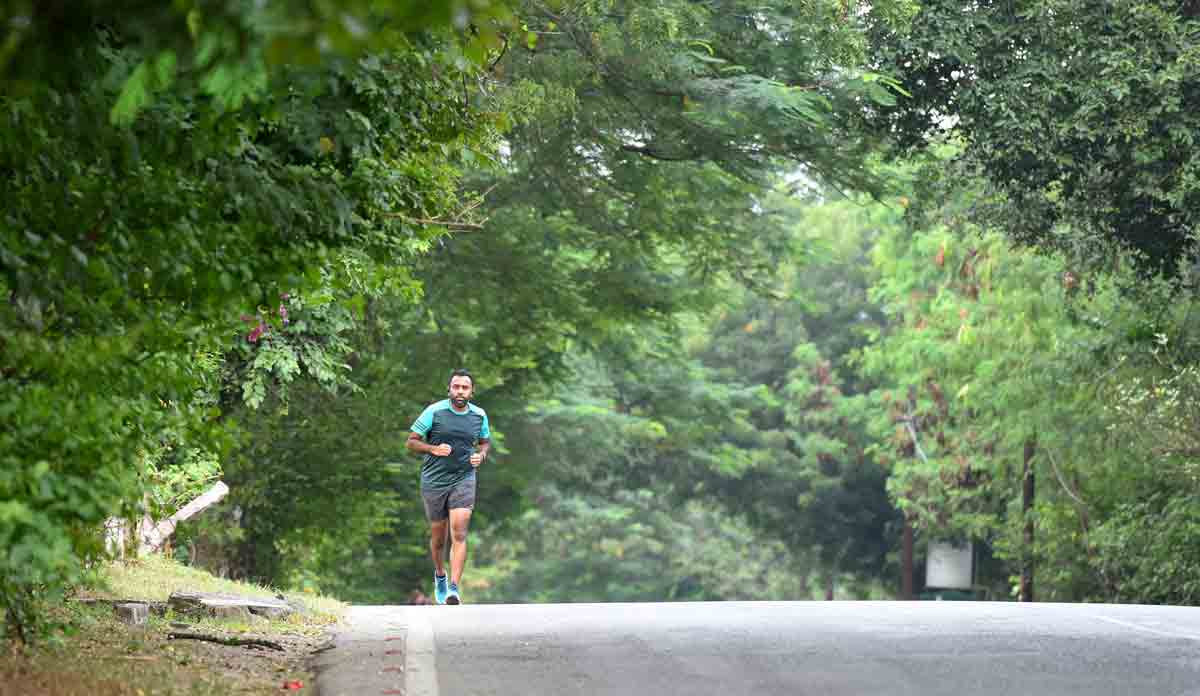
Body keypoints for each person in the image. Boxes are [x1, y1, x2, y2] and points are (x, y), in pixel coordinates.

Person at [406, 369, 491, 605]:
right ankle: (440, 577)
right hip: (434, 481)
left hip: (464, 478)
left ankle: (454, 588)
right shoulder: (434, 411)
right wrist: (433, 449)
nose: (460, 391)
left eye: (465, 388)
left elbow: (485, 443)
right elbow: (411, 441)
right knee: (439, 539)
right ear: (449, 389)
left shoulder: (479, 416)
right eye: (456, 387)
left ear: (472, 392)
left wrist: (481, 456)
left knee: (459, 532)